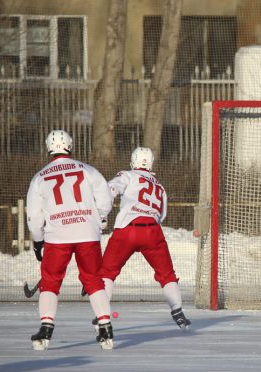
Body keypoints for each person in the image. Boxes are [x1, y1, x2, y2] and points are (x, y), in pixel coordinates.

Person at [26, 129, 115, 350]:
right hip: (87, 233)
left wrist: (38, 241)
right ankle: (105, 328)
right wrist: (101, 217)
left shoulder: (39, 177)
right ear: (70, 145)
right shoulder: (87, 169)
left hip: (58, 236)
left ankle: (46, 330)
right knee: (94, 279)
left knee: (51, 282)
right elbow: (105, 195)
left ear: (48, 147)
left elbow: (33, 216)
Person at [98, 147, 191, 330]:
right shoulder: (159, 186)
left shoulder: (127, 175)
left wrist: (101, 214)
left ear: (133, 161)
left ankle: (102, 316)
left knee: (107, 272)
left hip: (128, 229)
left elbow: (110, 189)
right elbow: (161, 214)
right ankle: (178, 311)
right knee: (167, 275)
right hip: (153, 231)